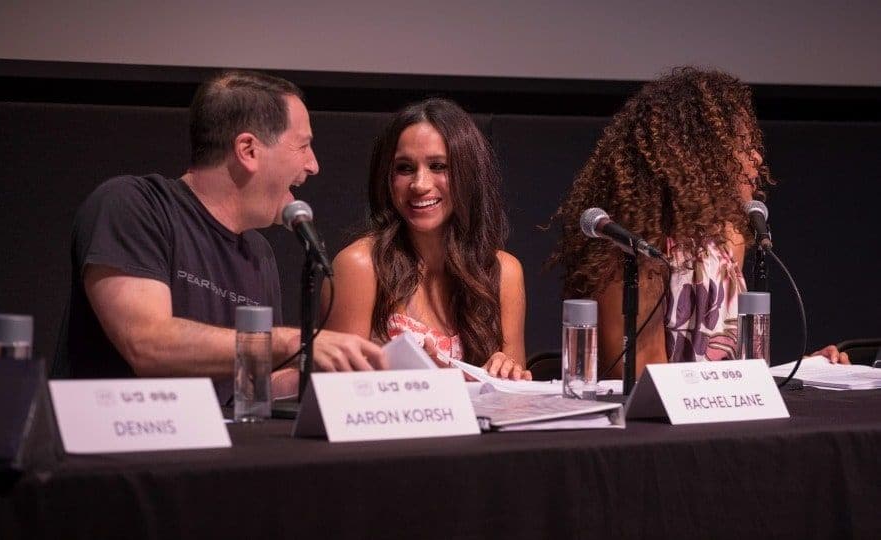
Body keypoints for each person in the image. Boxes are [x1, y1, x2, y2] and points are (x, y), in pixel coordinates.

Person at [53, 70, 386, 401]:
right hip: (119, 445)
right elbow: (147, 344)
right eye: (303, 146)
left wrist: (332, 368)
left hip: (212, 448)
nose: (313, 165)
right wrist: (292, 342)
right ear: (248, 150)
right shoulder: (134, 205)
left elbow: (254, 388)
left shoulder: (259, 252)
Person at [550, 67, 847, 378]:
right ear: (693, 155)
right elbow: (641, 383)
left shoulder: (730, 240)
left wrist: (805, 371)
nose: (757, 157)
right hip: (670, 422)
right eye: (742, 146)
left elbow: (732, 365)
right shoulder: (629, 251)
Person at [322, 98, 530, 380]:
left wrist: (506, 370)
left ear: (468, 174)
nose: (420, 184)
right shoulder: (359, 266)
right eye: (404, 168)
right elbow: (338, 393)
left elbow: (515, 395)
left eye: (438, 166)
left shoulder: (504, 271)